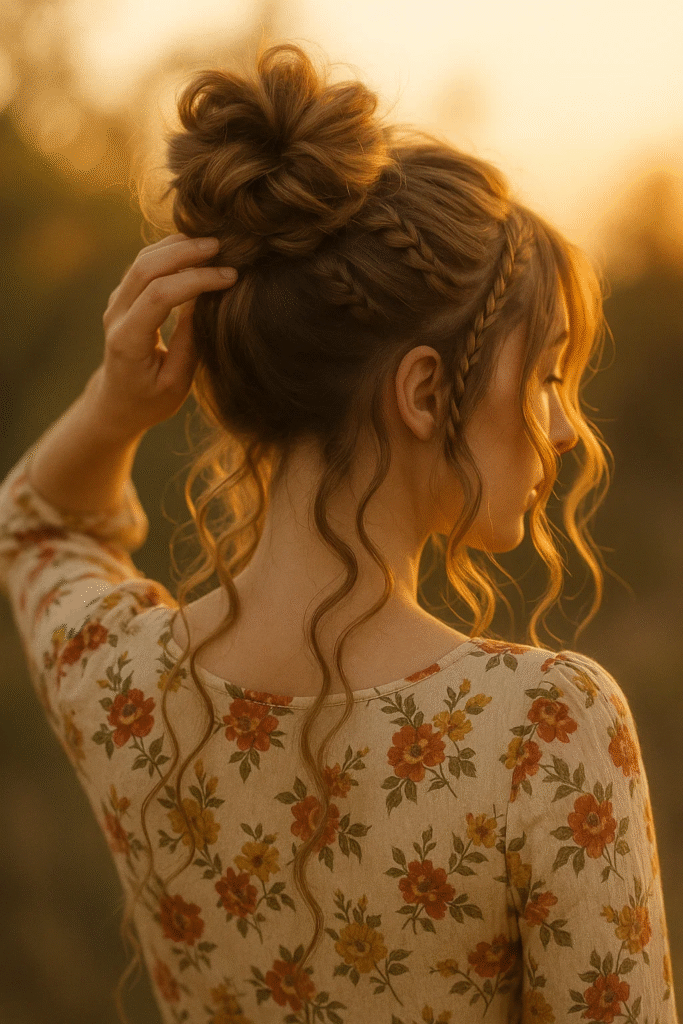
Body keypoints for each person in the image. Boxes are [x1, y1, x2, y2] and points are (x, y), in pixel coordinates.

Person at [0, 39, 677, 1024]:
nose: (565, 428)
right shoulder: (545, 730)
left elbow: (37, 526)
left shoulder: (122, 681)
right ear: (421, 389)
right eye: (540, 379)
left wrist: (113, 401)